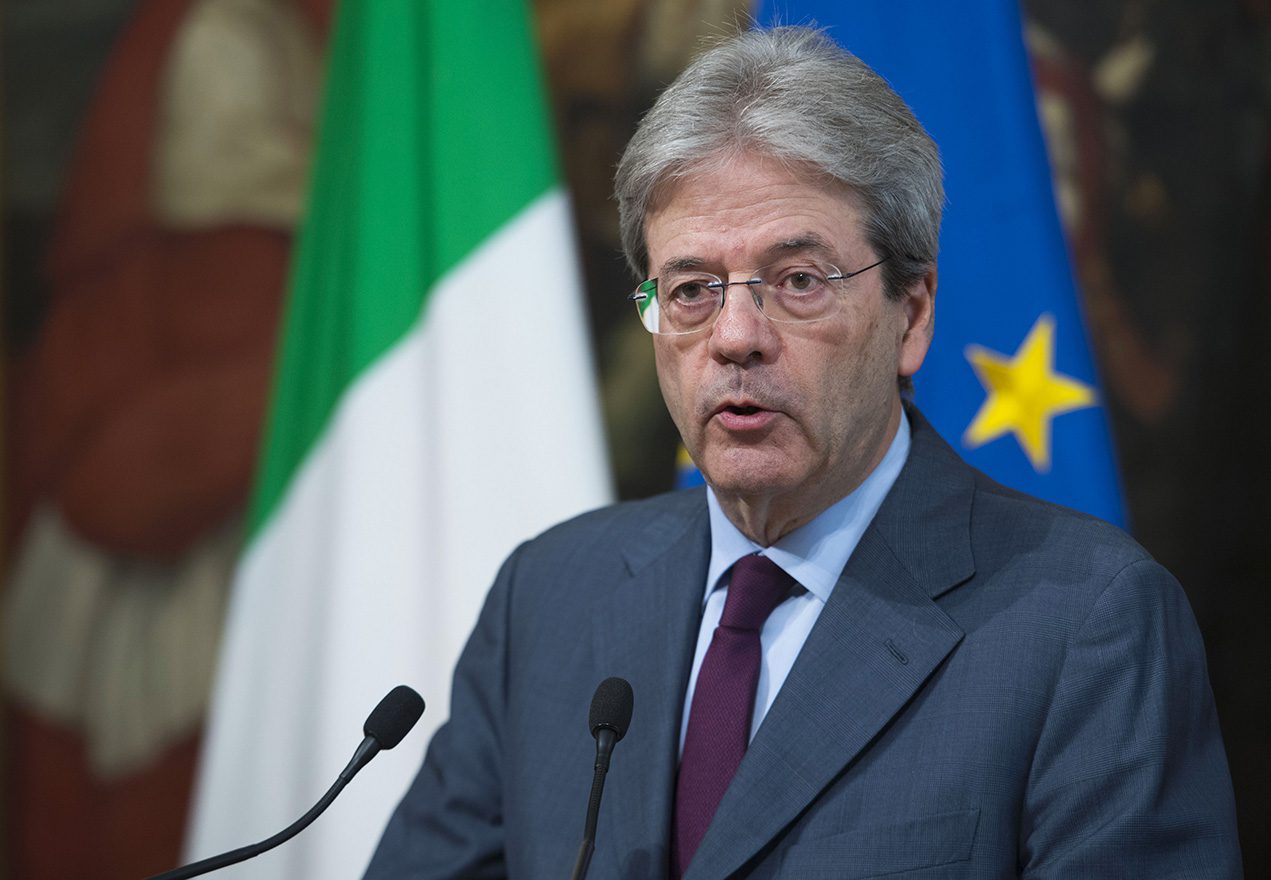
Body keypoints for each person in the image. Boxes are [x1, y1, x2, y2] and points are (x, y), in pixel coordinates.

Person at [364, 26, 1240, 879]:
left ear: (910, 316)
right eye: (692, 289)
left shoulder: (1084, 623)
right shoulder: (549, 597)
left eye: (797, 281)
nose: (735, 337)